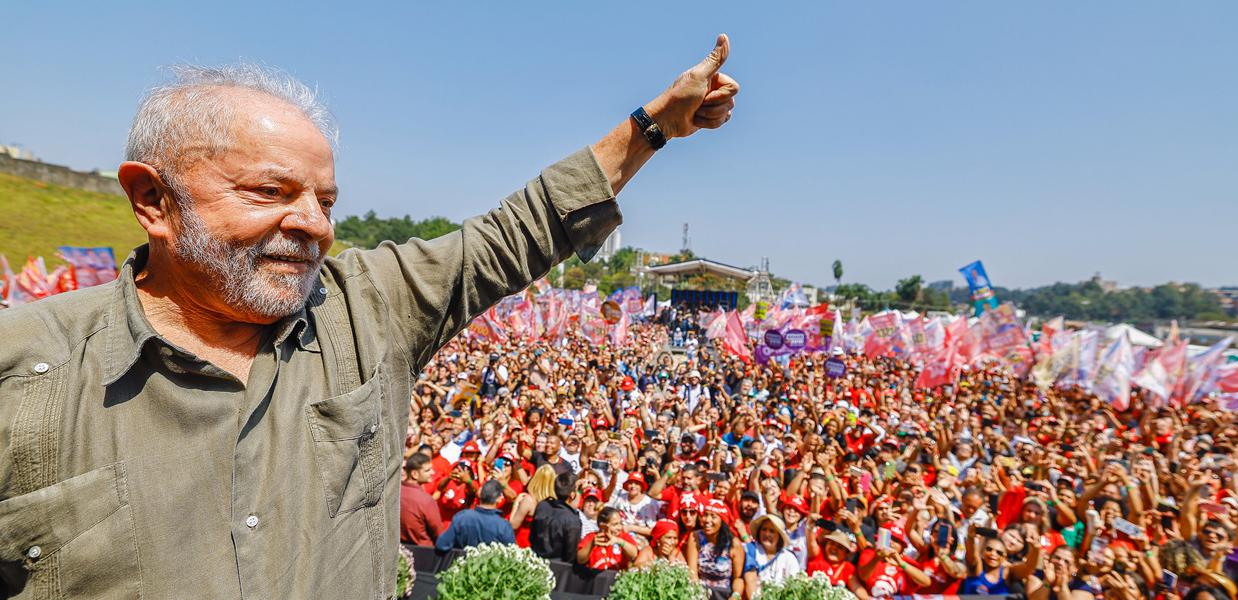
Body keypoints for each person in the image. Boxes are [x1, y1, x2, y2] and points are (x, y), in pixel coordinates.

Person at [0, 33, 738, 598]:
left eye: (325, 201)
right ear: (152, 200)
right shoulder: (24, 371)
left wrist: (652, 127)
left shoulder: (367, 308)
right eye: (270, 190)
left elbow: (517, 232)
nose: (312, 225)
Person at [686, 499, 746, 597]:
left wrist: (735, 596)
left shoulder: (734, 543)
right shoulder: (695, 537)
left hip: (724, 593)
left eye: (713, 516)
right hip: (701, 591)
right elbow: (692, 572)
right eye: (705, 515)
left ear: (722, 521)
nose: (707, 520)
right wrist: (697, 593)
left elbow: (738, 578)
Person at [436, 481, 516, 551]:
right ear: (499, 499)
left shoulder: (462, 517)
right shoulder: (503, 526)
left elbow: (442, 545)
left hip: (463, 566)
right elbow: (511, 555)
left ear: (480, 494)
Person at [743, 514, 803, 597]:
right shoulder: (751, 550)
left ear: (779, 536)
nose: (767, 534)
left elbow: (795, 587)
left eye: (772, 531)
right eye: (764, 529)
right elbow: (750, 580)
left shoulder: (789, 558)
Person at [530, 471, 583, 563]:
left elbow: (532, 536)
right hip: (559, 568)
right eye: (578, 491)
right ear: (572, 495)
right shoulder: (572, 520)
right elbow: (570, 555)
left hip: (536, 561)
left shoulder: (543, 505)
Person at [578, 507, 642, 571]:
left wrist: (619, 541)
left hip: (618, 578)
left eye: (620, 523)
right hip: (595, 578)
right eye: (615, 524)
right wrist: (591, 545)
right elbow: (580, 560)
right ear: (602, 525)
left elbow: (634, 555)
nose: (619, 528)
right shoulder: (591, 537)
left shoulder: (623, 537)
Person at [400, 453, 443, 546]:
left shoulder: (396, 492)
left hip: (399, 549)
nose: (432, 472)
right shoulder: (426, 500)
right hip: (423, 552)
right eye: (427, 470)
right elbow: (439, 533)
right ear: (414, 474)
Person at [509, 464, 557, 548]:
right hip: (542, 545)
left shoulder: (529, 500)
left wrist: (516, 504)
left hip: (523, 542)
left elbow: (513, 525)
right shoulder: (554, 502)